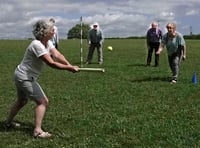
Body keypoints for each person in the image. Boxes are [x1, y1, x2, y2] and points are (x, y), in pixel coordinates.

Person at [5, 19, 79, 138]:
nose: (54, 31)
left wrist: (69, 65)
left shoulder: (48, 43)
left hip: (21, 75)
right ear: (44, 32)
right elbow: (51, 63)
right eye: (51, 30)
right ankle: (37, 131)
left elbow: (57, 55)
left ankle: (8, 123)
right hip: (25, 77)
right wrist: (69, 68)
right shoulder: (36, 45)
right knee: (43, 102)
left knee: (22, 101)